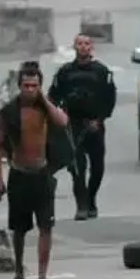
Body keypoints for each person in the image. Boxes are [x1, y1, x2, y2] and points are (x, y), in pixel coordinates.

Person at [0, 62, 72, 279]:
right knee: (19, 229)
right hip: (19, 174)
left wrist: (43, 99)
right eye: (26, 85)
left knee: (46, 226)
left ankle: (42, 278)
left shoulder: (45, 109)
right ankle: (18, 273)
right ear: (19, 86)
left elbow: (62, 121)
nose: (30, 90)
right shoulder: (10, 112)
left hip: (42, 174)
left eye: (34, 86)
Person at [49, 34, 118, 220]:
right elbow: (53, 97)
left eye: (86, 43)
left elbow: (110, 98)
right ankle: (81, 205)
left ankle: (91, 199)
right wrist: (59, 116)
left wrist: (100, 119)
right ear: (74, 46)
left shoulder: (101, 71)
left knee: (97, 168)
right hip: (73, 125)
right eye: (79, 43)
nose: (83, 47)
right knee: (77, 168)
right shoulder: (65, 72)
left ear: (91, 47)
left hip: (95, 125)